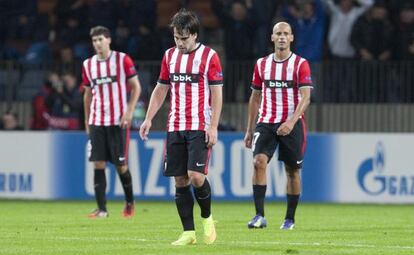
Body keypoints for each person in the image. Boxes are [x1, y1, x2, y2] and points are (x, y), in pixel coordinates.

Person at [139, 9, 223, 245]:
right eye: (176, 37)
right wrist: (148, 119)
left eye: (184, 38)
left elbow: (217, 93)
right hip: (175, 125)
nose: (180, 43)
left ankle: (207, 218)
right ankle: (188, 233)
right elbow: (161, 89)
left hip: (199, 126)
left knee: (196, 176)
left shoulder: (209, 56)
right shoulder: (169, 56)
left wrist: (213, 126)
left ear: (195, 35)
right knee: (180, 180)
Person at [244, 22, 313, 230]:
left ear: (291, 38)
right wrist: (249, 129)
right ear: (272, 37)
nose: (282, 37)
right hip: (266, 122)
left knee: (292, 171)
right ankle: (259, 216)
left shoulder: (300, 64)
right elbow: (255, 97)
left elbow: (306, 97)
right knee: (258, 162)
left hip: (292, 124)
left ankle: (289, 219)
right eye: (278, 34)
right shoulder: (261, 64)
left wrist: (291, 122)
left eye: (285, 34)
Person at [81, 26, 142, 218]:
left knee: (121, 166)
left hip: (118, 121)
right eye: (94, 40)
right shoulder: (88, 64)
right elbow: (88, 94)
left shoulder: (122, 60)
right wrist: (87, 120)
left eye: (100, 39)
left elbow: (136, 87)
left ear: (108, 40)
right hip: (97, 120)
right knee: (97, 163)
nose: (97, 43)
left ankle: (130, 202)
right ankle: (102, 209)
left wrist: (129, 111)